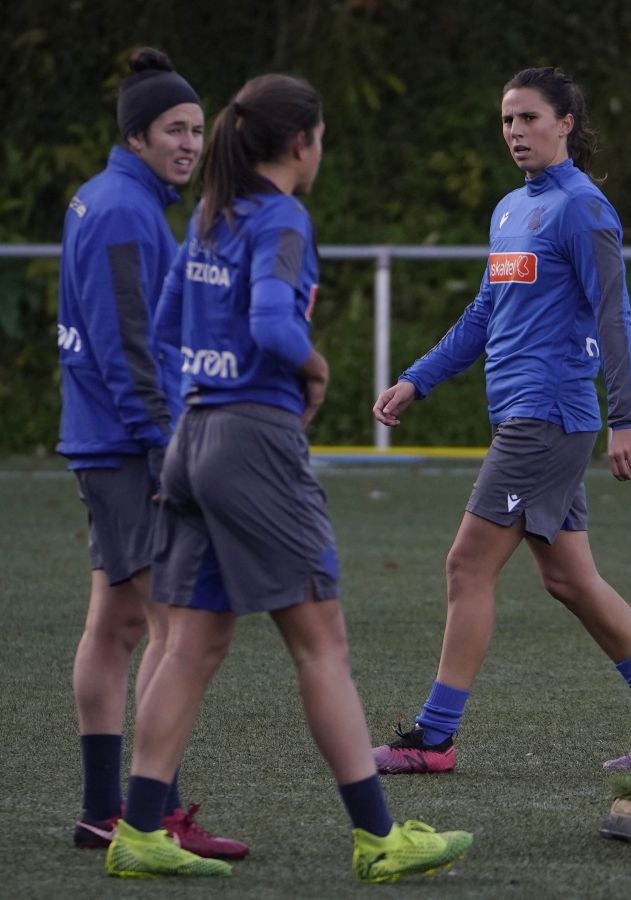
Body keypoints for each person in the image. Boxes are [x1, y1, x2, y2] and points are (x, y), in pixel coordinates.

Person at [104, 73, 473, 881]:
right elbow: (274, 324)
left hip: (191, 437)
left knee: (191, 646)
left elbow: (164, 329)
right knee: (321, 646)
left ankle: (136, 832)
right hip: (252, 444)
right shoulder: (281, 217)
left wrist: (196, 409)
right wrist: (315, 367)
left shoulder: (208, 215)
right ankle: (379, 839)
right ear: (302, 142)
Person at [371, 66, 631, 776]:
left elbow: (612, 315)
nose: (515, 132)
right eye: (506, 121)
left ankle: (433, 738)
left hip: (547, 416)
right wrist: (416, 379)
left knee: (466, 565)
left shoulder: (582, 209)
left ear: (565, 124)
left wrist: (626, 417)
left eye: (528, 118)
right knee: (569, 580)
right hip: (532, 418)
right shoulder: (510, 209)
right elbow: (484, 313)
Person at [57, 46, 248, 859]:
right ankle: (149, 815)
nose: (189, 143)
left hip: (102, 441)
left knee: (116, 624)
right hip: (129, 447)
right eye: (173, 128)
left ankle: (107, 810)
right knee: (175, 629)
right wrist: (172, 449)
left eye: (197, 129)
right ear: (135, 136)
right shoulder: (128, 211)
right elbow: (128, 348)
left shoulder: (103, 199)